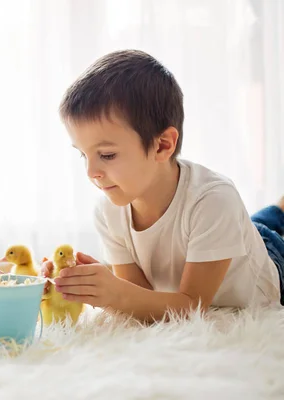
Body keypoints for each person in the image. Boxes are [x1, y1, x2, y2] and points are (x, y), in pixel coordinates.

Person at [41, 50, 283, 321]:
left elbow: (191, 307)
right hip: (227, 234)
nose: (91, 172)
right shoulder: (109, 210)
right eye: (83, 154)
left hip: (269, 258)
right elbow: (143, 297)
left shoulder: (214, 201)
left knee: (266, 233)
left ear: (162, 145)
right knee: (256, 223)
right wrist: (98, 285)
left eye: (107, 155)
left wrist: (115, 293)